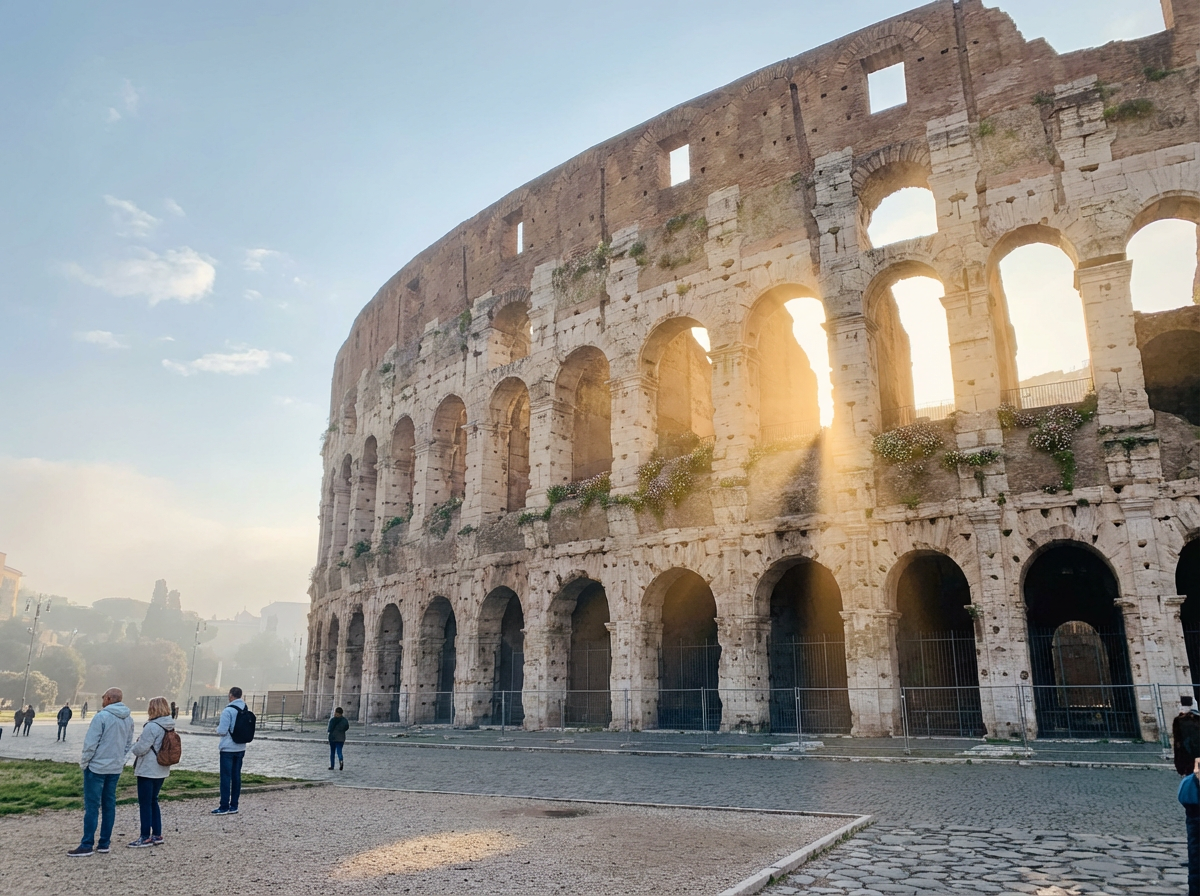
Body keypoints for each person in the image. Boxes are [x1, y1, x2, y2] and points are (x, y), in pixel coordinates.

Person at [68, 687, 134, 857]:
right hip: (115, 768)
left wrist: (85, 763)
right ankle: (104, 842)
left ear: (110, 698)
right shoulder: (129, 719)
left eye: (104, 697)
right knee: (109, 805)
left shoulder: (101, 717)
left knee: (92, 806)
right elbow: (128, 744)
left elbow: (91, 743)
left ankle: (87, 843)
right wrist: (121, 761)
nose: (102, 700)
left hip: (96, 767)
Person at [128, 696, 175, 848]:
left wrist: (135, 745)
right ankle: (157, 833)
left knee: (145, 803)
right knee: (154, 800)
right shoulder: (169, 725)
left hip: (148, 769)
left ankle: (144, 836)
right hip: (161, 768)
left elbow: (140, 749)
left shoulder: (152, 726)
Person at [213, 686, 248, 815]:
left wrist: (216, 730)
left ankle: (223, 806)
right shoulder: (245, 709)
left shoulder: (227, 711)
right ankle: (234, 805)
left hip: (228, 748)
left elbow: (222, 730)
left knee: (226, 777)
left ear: (231, 695)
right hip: (241, 746)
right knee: (236, 777)